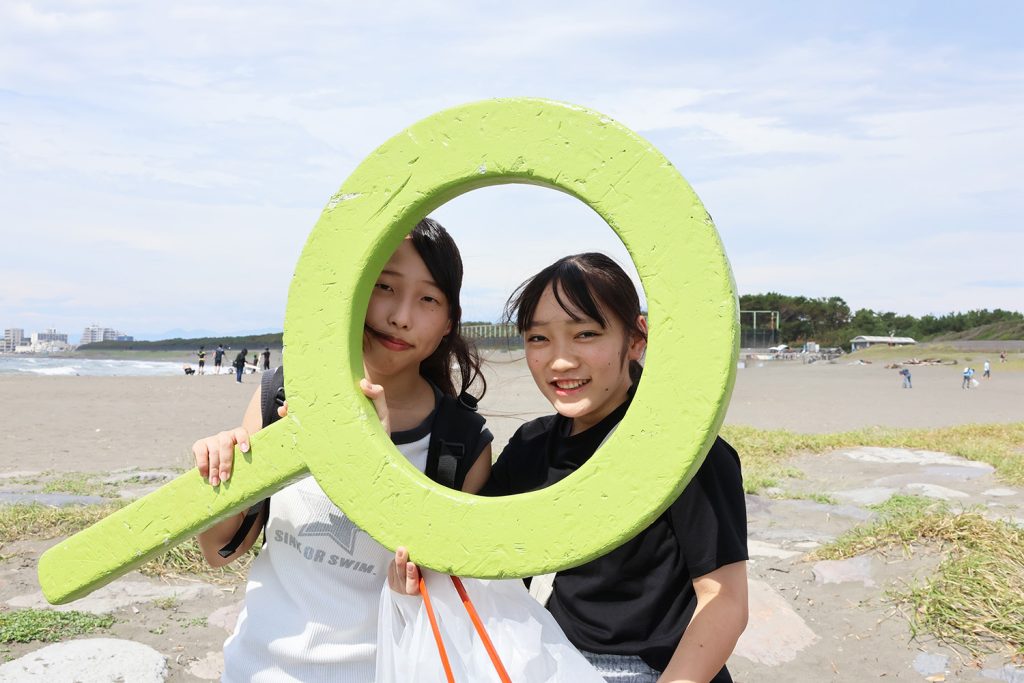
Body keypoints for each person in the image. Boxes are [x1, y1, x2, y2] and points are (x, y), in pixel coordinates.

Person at [395, 253, 749, 682]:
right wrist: (419, 577)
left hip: (651, 669)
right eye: (539, 338)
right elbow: (477, 548)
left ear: (636, 339)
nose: (560, 361)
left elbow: (723, 601)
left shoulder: (683, 453)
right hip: (545, 659)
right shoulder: (531, 446)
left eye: (585, 333)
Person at [190, 218, 492, 681]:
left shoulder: (461, 443)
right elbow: (220, 551)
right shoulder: (283, 396)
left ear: (449, 321)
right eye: (385, 287)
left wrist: (377, 459)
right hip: (256, 669)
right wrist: (220, 472)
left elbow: (448, 598)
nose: (401, 316)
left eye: (428, 299)